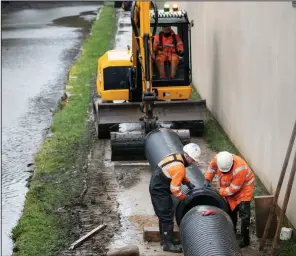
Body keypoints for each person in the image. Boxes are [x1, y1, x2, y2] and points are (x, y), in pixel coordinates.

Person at [149, 143, 201, 253]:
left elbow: (176, 173)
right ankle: (168, 244)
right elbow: (175, 189)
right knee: (167, 215)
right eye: (193, 160)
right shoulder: (180, 167)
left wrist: (187, 182)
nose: (193, 163)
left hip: (157, 184)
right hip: (159, 190)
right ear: (187, 157)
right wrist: (184, 198)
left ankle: (166, 240)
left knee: (164, 215)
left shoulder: (176, 156)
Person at [204, 151, 255, 248]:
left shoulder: (240, 168)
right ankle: (232, 232)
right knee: (231, 210)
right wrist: (207, 179)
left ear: (231, 165)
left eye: (226, 171)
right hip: (229, 186)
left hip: (244, 188)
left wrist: (219, 191)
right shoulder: (218, 159)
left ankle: (245, 240)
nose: (223, 173)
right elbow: (212, 168)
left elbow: (233, 189)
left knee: (244, 215)